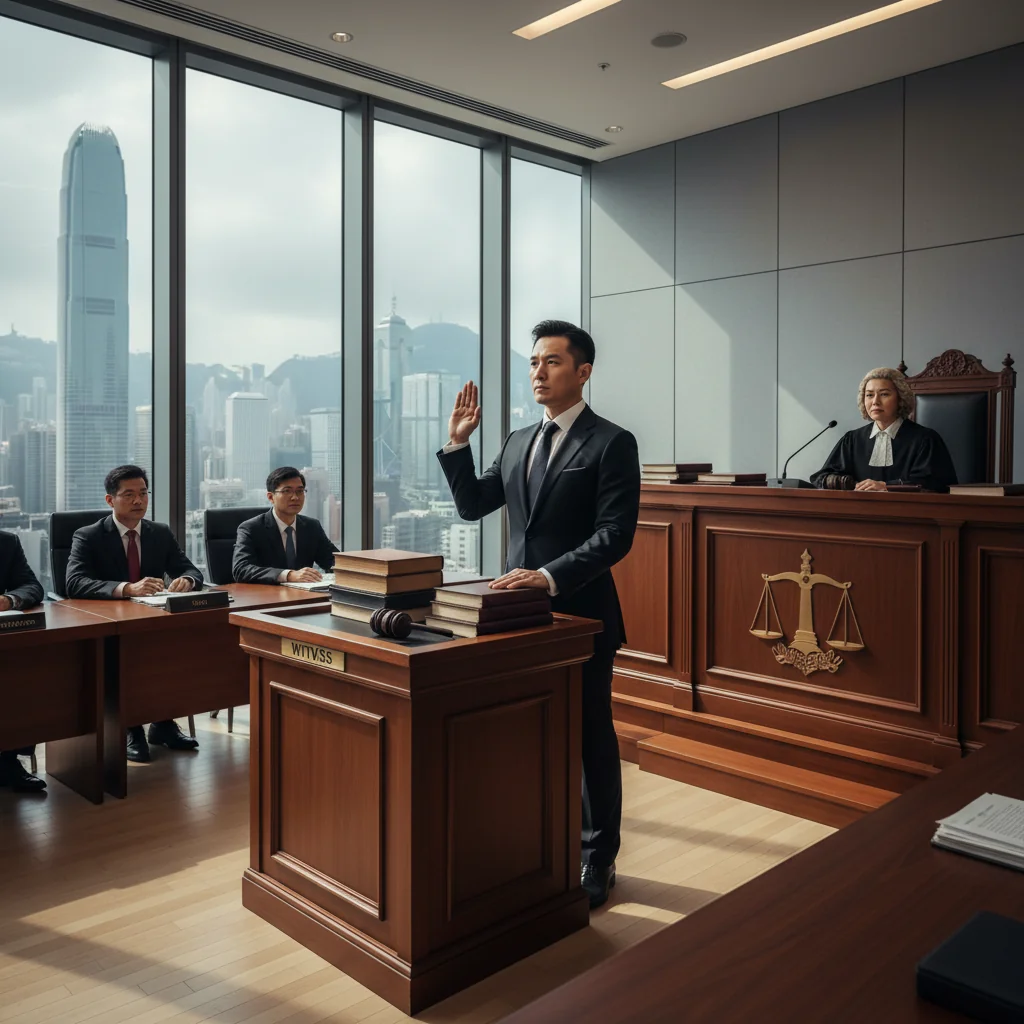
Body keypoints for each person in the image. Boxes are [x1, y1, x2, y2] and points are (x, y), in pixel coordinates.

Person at [437, 320, 641, 910]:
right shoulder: (518, 439)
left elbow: (615, 535)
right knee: (527, 731)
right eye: (532, 363)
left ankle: (598, 857)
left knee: (588, 737)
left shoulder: (611, 441)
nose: (538, 373)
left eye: (552, 362)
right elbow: (475, 506)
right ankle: (539, 844)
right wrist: (457, 444)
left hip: (581, 613)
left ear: (583, 371)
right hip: (516, 616)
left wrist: (548, 577)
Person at [64, 465, 203, 763]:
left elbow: (189, 569)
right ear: (110, 500)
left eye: (143, 493)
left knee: (177, 652)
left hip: (151, 621)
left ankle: (162, 723)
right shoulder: (88, 536)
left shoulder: (159, 533)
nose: (139, 500)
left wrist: (187, 581)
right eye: (129, 495)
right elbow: (74, 582)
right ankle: (131, 727)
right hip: (107, 624)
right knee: (128, 655)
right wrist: (127, 588)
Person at [811, 367, 958, 492]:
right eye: (869, 395)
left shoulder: (925, 439)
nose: (875, 401)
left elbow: (933, 484)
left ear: (901, 398)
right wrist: (851, 484)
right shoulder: (853, 440)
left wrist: (886, 486)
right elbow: (821, 478)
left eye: (884, 394)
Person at [232, 467, 338, 585]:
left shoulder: (312, 526)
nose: (295, 497)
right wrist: (289, 575)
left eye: (299, 491)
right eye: (287, 491)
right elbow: (241, 570)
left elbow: (334, 562)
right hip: (267, 597)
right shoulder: (251, 528)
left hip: (304, 596)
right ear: (271, 497)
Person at [0, 530, 47, 793]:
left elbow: (32, 586)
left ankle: (8, 761)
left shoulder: (6, 541)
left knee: (25, 675)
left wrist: (8, 600)